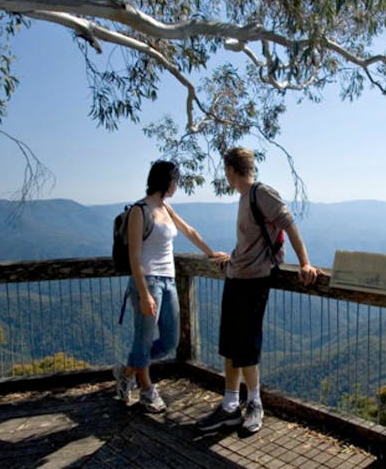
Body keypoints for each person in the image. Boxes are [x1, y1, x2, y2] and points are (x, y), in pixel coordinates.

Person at [196, 147, 322, 434]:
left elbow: (290, 225)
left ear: (230, 170)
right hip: (236, 275)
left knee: (247, 346)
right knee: (230, 345)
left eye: (224, 171)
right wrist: (234, 257)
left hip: (255, 280)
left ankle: (254, 404)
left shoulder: (261, 193)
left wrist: (305, 262)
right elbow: (252, 239)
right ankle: (229, 407)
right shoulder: (244, 198)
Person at [113, 160, 228, 412]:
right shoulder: (139, 211)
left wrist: (210, 253)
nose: (178, 185)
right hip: (148, 282)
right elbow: (134, 257)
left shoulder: (166, 207)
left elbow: (187, 230)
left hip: (169, 281)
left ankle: (126, 372)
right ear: (167, 181)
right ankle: (146, 390)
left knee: (168, 340)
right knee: (143, 340)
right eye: (176, 180)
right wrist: (143, 294)